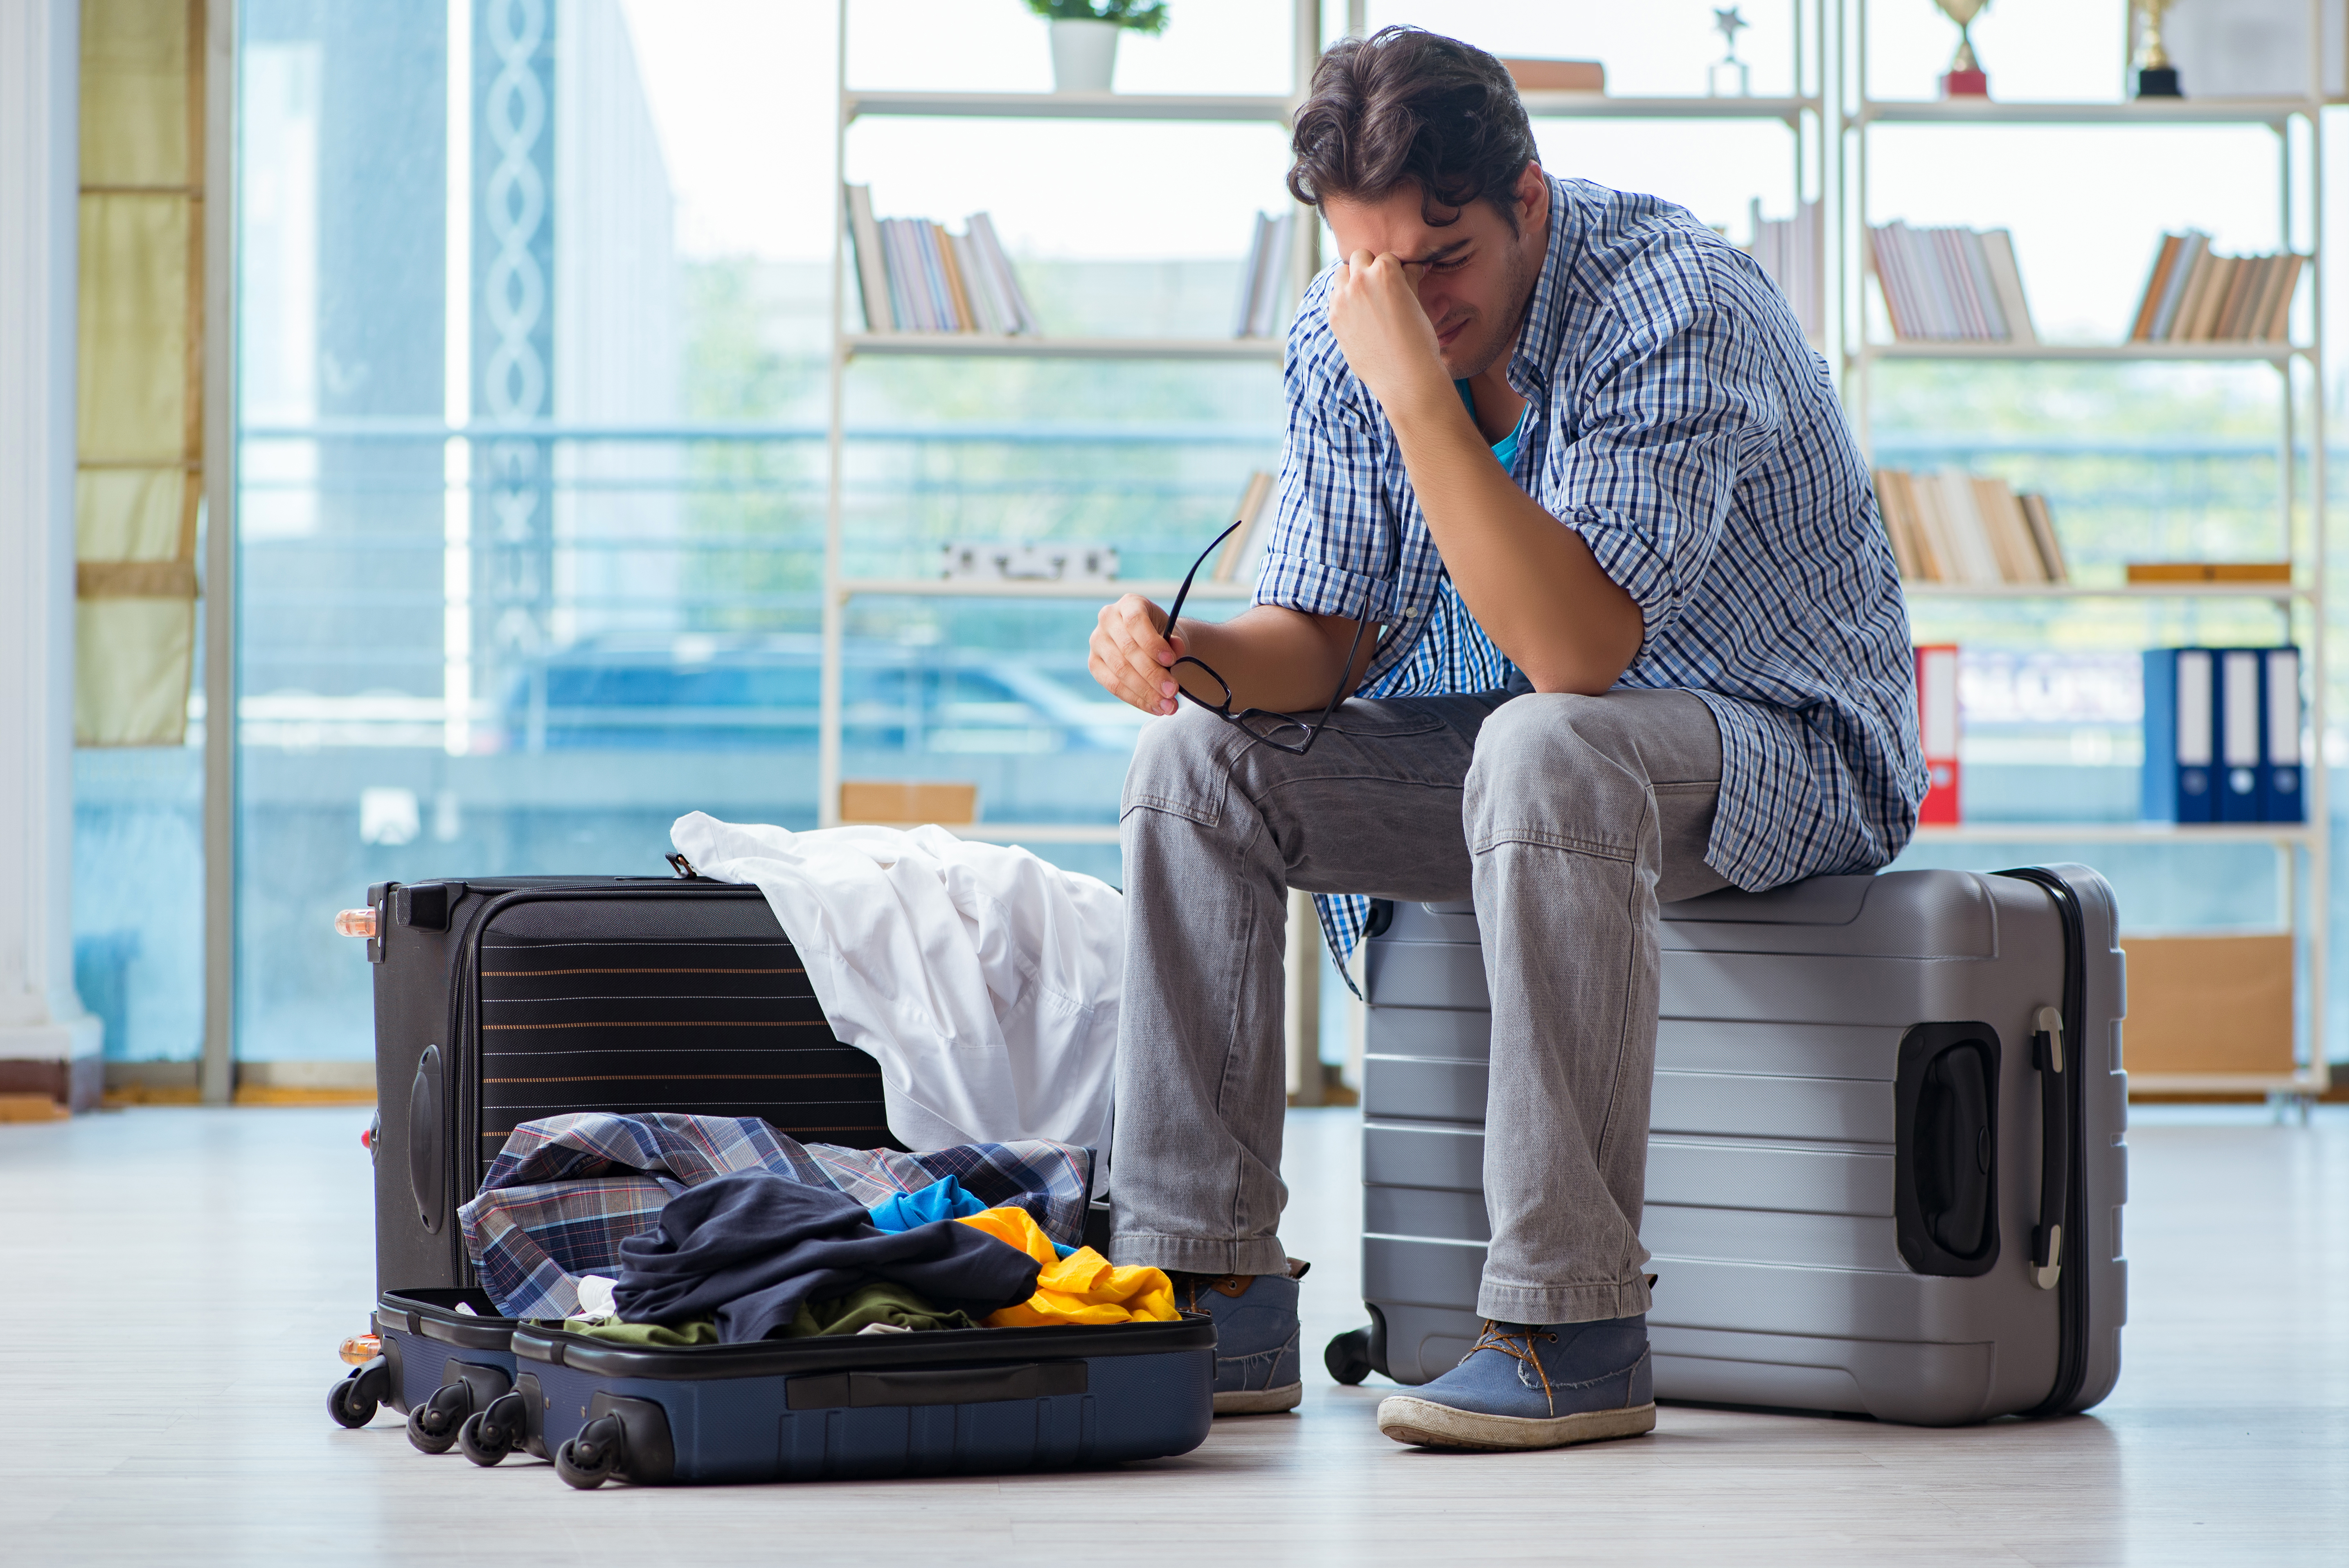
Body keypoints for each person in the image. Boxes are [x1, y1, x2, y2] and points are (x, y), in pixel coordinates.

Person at [1087, 26, 1924, 1453]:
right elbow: (1328, 641)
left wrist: (1414, 392)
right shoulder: (1345, 321)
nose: (1411, 303)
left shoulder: (1676, 303)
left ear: (1527, 202)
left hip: (1784, 741)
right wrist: (1192, 656)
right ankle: (1212, 1286)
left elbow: (1575, 649)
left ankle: (1569, 1328)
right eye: (1372, 269)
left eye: (1445, 260)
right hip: (1535, 760)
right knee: (1198, 762)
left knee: (1547, 739)